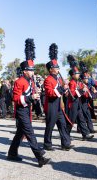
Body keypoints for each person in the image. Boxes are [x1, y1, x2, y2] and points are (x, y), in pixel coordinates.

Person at [7, 38, 50, 167]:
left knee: (20, 133)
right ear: (25, 70)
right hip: (21, 110)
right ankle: (39, 156)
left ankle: (12, 153)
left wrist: (35, 96)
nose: (33, 72)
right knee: (30, 133)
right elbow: (15, 99)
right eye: (31, 70)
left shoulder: (30, 81)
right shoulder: (19, 81)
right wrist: (30, 98)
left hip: (27, 109)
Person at [44, 43, 73, 151]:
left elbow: (60, 91)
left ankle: (65, 143)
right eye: (56, 67)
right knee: (50, 126)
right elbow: (50, 93)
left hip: (59, 105)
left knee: (62, 124)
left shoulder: (58, 79)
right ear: (51, 69)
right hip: (51, 105)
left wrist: (65, 90)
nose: (58, 69)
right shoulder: (48, 80)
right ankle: (47, 144)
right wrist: (62, 89)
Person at [67, 65, 94, 140]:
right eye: (77, 73)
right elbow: (72, 93)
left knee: (81, 119)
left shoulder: (77, 82)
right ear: (73, 75)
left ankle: (85, 134)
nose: (79, 74)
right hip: (73, 103)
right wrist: (82, 90)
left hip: (78, 102)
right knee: (71, 120)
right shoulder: (72, 82)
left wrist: (83, 89)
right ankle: (66, 135)